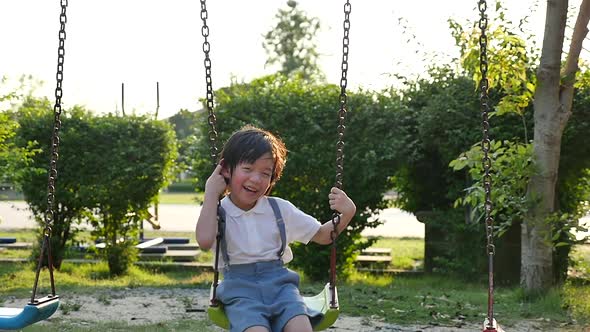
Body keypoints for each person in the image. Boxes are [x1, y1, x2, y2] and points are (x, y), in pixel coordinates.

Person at [196, 125, 356, 332]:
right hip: (239, 291)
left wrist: (347, 213)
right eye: (247, 169)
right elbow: (204, 240)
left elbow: (324, 236)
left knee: (301, 328)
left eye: (265, 173)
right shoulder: (216, 211)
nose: (256, 179)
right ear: (226, 169)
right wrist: (211, 193)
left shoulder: (279, 210)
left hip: (282, 288)